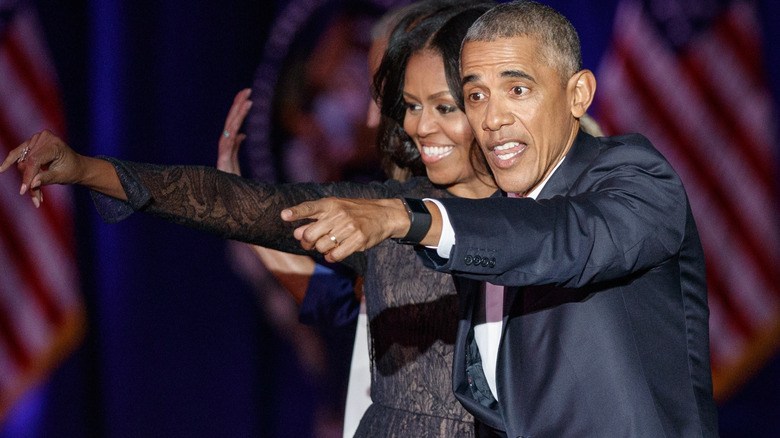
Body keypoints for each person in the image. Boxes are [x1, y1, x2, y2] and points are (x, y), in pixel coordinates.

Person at [2, 2, 497, 436]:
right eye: (401, 104)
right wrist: (87, 169)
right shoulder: (384, 211)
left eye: (433, 104)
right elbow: (338, 307)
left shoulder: (542, 221)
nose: (377, 121)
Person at [278, 2, 720, 437]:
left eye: (518, 90)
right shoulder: (485, 221)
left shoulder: (636, 176)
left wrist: (404, 218)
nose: (492, 118)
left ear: (578, 95)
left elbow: (559, 236)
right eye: (475, 96)